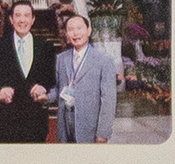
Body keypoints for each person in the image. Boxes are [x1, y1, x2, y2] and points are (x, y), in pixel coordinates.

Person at [0, 0, 58, 143]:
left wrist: (43, 87)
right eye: (18, 15)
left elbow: (51, 77)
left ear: (33, 19)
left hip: (36, 121)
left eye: (26, 15)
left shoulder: (45, 47)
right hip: (7, 121)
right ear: (11, 19)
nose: (22, 20)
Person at [53, 8, 123, 145]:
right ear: (66, 34)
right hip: (65, 125)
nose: (75, 33)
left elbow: (108, 100)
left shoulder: (104, 61)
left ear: (89, 31)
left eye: (79, 28)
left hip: (89, 127)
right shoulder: (61, 59)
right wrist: (44, 95)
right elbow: (58, 90)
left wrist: (103, 133)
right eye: (71, 29)